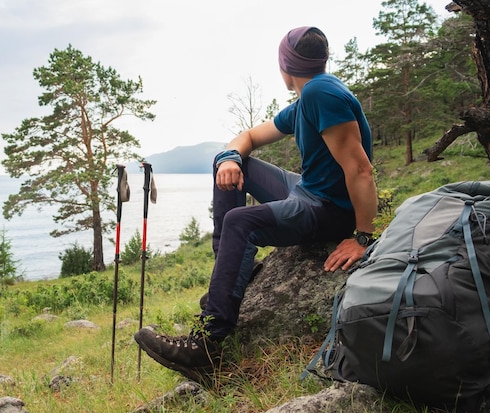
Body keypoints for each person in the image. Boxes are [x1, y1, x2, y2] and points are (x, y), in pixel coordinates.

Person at [134, 26, 378, 383]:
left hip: (328, 210)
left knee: (239, 222)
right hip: (308, 190)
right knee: (232, 164)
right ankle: (235, 273)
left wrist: (362, 236)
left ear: (285, 66)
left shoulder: (322, 95)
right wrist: (230, 158)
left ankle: (207, 344)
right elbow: (248, 137)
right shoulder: (309, 98)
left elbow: (360, 169)